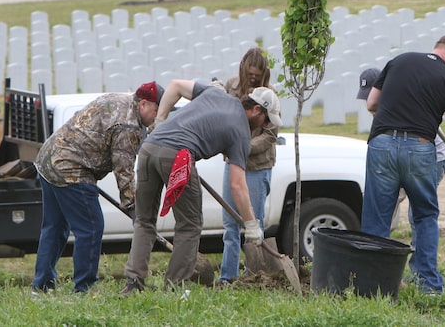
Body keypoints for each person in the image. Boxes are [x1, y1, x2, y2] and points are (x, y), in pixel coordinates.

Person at [120, 79, 282, 296]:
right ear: (255, 109)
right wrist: (252, 224)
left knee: (144, 219)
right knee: (190, 224)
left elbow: (175, 85)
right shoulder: (241, 133)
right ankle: (174, 288)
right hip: (177, 156)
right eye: (265, 120)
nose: (264, 126)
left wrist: (159, 121)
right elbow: (237, 185)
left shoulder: (216, 94)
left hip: (149, 148)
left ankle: (133, 283)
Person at [361, 33, 445, 295]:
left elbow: (372, 103)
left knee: (376, 217)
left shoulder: (398, 61)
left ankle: (372, 284)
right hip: (419, 148)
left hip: (382, 145)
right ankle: (428, 284)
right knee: (424, 216)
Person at [32, 81, 164, 295]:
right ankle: (85, 287)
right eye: (155, 111)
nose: (154, 117)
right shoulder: (128, 126)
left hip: (49, 158)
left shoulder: (121, 99)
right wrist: (133, 208)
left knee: (55, 228)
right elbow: (124, 170)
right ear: (144, 104)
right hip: (72, 169)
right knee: (91, 228)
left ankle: (42, 285)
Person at [356, 67, 445, 285]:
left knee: (419, 215)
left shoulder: (399, 105)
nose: (369, 104)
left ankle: (421, 274)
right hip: (403, 157)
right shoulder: (382, 111)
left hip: (434, 158)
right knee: (385, 213)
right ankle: (382, 275)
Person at [218, 47, 279, 285]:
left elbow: (270, 135)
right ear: (243, 68)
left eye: (257, 74)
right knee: (230, 223)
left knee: (255, 223)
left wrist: (242, 146)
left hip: (257, 165)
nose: (253, 77)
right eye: (250, 73)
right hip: (233, 163)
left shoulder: (271, 95)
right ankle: (228, 277)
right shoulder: (231, 86)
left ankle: (256, 274)